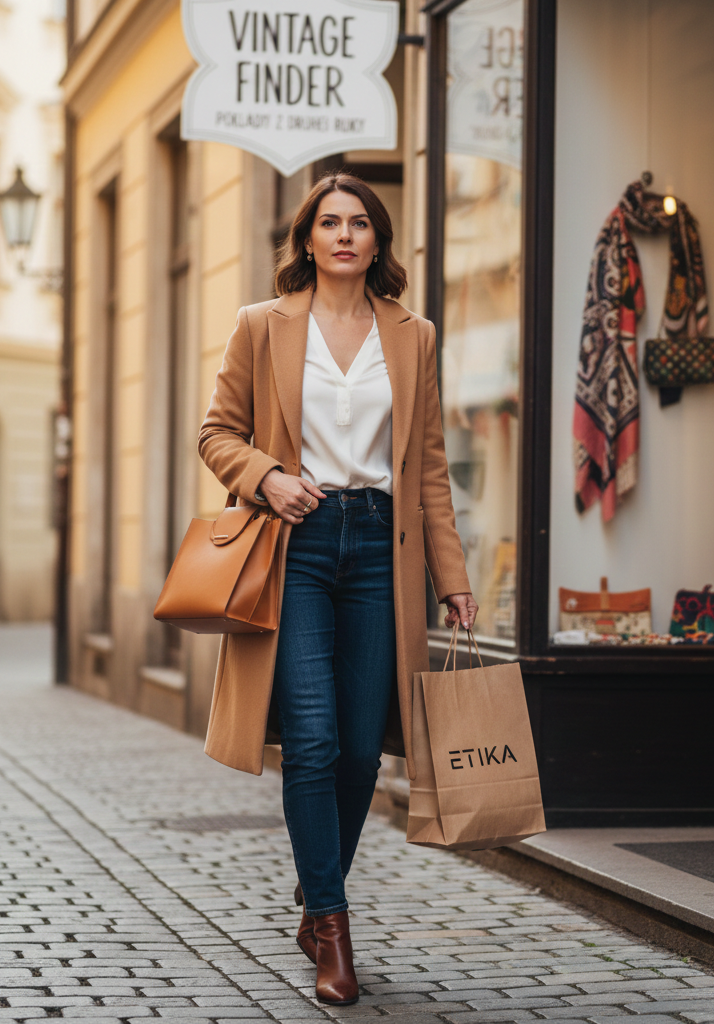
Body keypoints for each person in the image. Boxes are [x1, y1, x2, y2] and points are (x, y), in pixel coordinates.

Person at [198, 172, 477, 1006]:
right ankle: (333, 924)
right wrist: (268, 477)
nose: (346, 235)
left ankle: (314, 897)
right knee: (312, 741)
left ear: (378, 241)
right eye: (331, 222)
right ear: (308, 238)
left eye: (361, 223)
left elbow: (427, 467)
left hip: (382, 553)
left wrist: (453, 579)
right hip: (300, 545)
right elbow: (216, 433)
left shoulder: (414, 335)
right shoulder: (263, 325)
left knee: (362, 748)